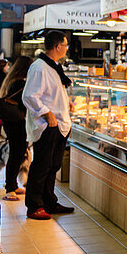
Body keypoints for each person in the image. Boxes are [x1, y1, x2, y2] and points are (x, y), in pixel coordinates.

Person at [22, 31, 75, 220]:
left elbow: (51, 93)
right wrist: (48, 113)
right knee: (41, 166)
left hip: (60, 125)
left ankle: (49, 201)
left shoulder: (54, 66)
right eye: (66, 44)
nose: (67, 48)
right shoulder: (39, 67)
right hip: (47, 125)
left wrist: (65, 104)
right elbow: (29, 96)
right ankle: (34, 206)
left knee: (53, 165)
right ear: (57, 46)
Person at [0, 55, 32, 200]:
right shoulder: (20, 83)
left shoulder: (10, 80)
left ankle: (13, 185)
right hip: (17, 121)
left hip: (9, 120)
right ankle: (10, 188)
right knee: (17, 153)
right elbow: (25, 103)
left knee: (16, 152)